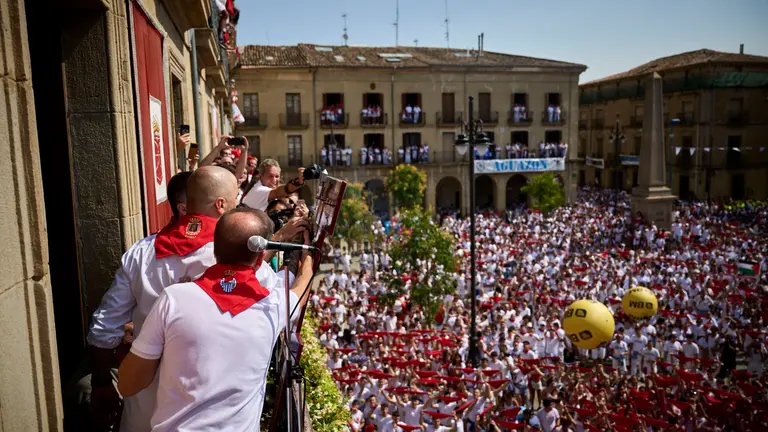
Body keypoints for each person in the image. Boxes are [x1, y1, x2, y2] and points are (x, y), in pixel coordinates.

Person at [117, 207, 314, 431]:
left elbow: (128, 384)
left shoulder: (173, 299)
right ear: (260, 259)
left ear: (214, 248)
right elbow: (301, 287)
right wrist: (307, 253)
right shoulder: (275, 306)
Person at [87, 166, 239, 431]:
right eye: (235, 199)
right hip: (209, 400)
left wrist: (101, 383)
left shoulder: (142, 251)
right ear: (221, 204)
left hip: (145, 397)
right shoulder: (236, 257)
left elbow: (103, 327)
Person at [240, 159, 305, 211]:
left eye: (277, 176)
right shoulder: (259, 190)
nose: (274, 180)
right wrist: (298, 182)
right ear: (260, 176)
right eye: (270, 176)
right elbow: (279, 192)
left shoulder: (265, 188)